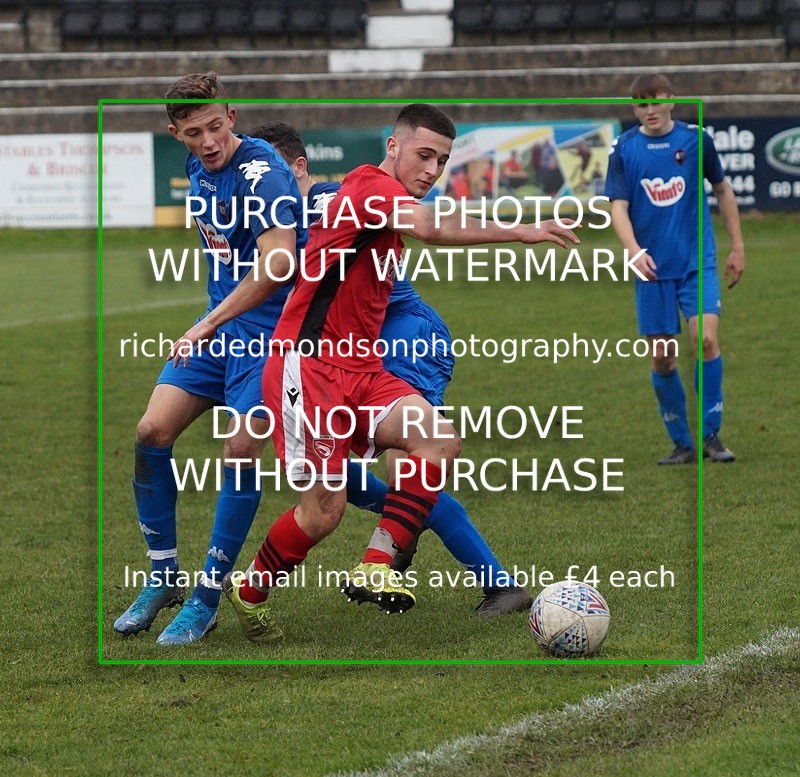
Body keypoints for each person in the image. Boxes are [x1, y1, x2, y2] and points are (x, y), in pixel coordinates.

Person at [222, 104, 580, 643]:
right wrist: (523, 231)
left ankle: (377, 562)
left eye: (441, 161)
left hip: (362, 369)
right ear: (393, 147)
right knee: (322, 514)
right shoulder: (369, 187)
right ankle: (249, 589)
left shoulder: (381, 205)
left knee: (437, 440)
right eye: (424, 155)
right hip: (311, 367)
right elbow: (433, 228)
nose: (433, 171)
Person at [112, 73, 307, 645]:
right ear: (177, 134)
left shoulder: (261, 171)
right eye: (195, 132)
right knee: (151, 430)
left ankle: (206, 596)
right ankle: (163, 576)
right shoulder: (200, 166)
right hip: (220, 329)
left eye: (217, 126)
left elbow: (277, 264)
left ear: (233, 117)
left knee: (241, 448)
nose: (210, 141)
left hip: (272, 337)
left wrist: (207, 323)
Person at [605, 73, 744, 465]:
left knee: (705, 341)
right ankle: (682, 443)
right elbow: (618, 207)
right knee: (663, 358)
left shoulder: (696, 140)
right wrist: (633, 250)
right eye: (640, 104)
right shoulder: (624, 149)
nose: (649, 110)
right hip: (652, 270)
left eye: (655, 101)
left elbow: (722, 189)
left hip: (696, 264)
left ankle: (712, 436)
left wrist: (737, 246)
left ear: (671, 100)